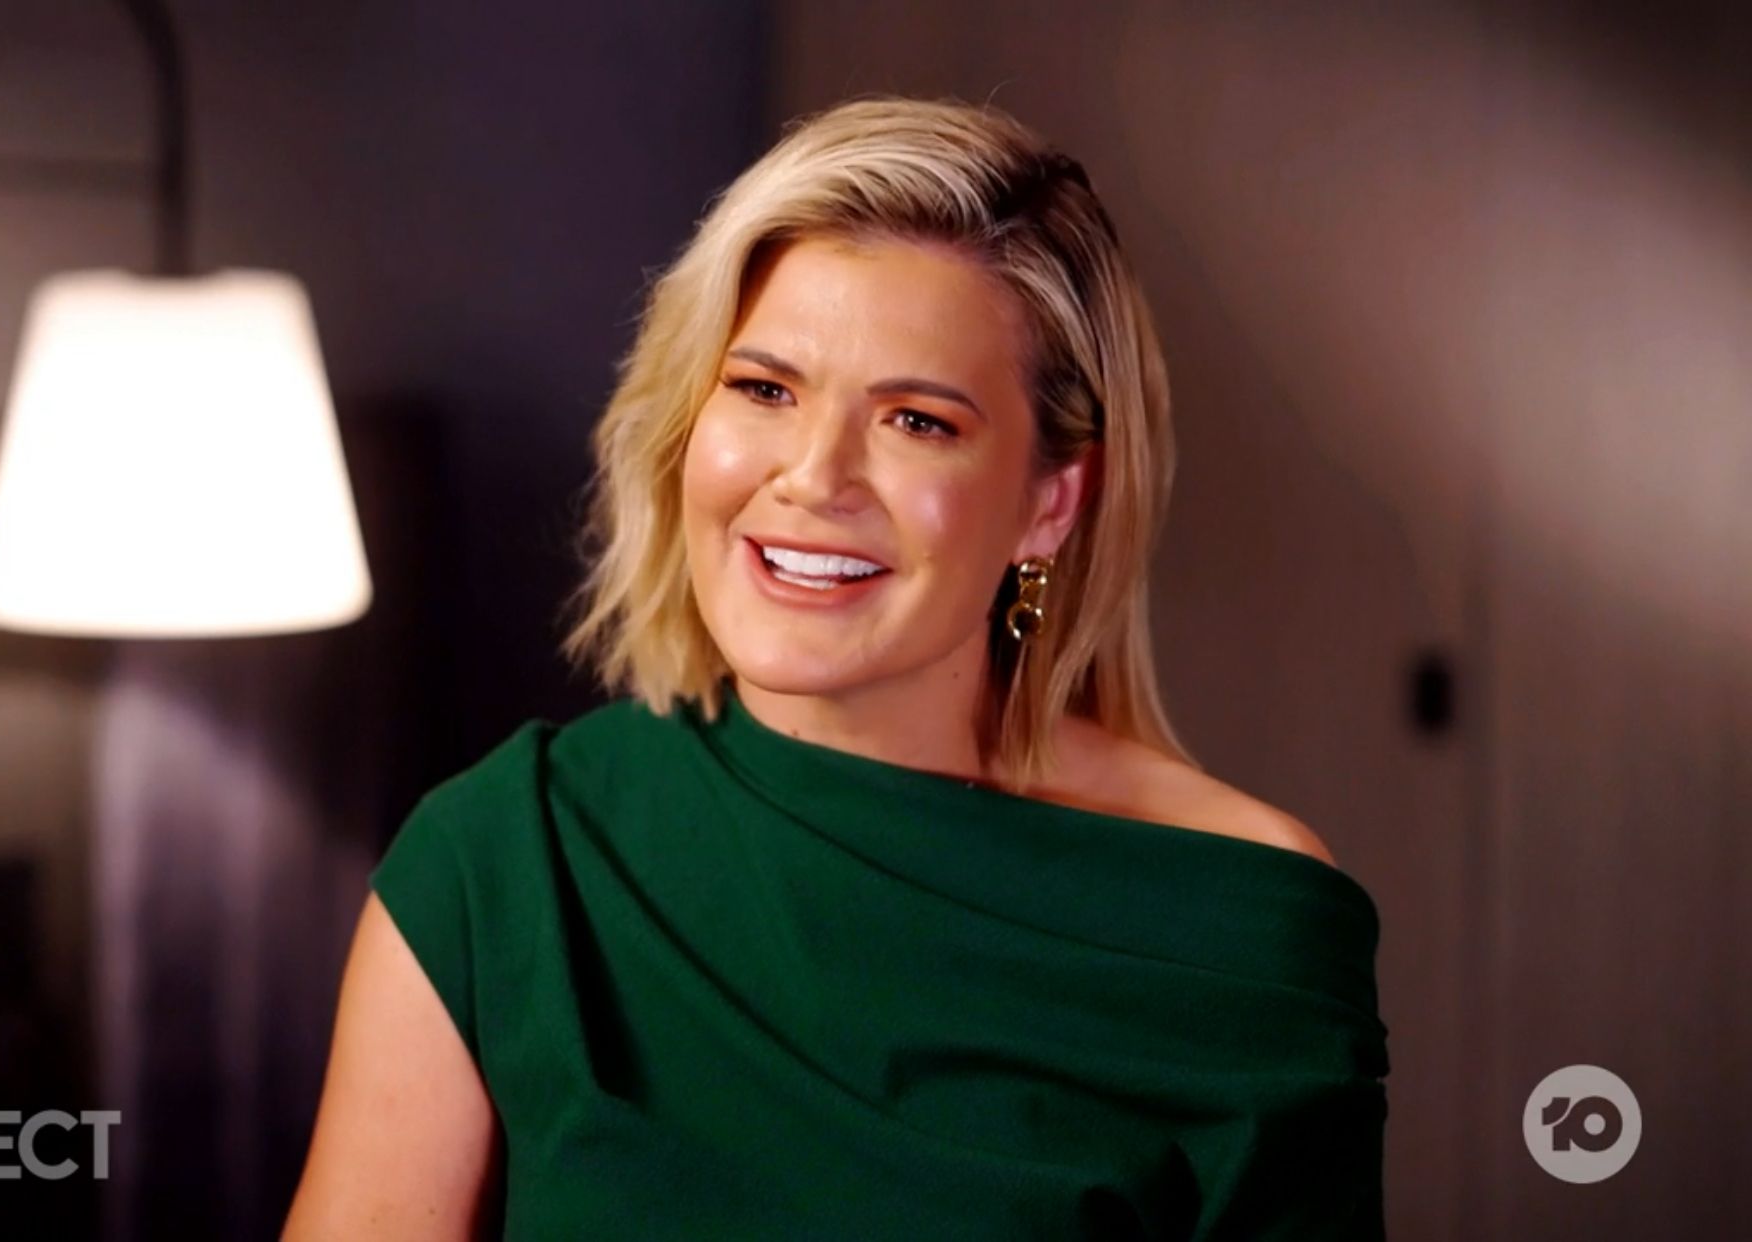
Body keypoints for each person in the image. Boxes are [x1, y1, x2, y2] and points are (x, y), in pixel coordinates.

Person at [282, 95, 1389, 1240]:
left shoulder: (1241, 920)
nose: (814, 477)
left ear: (1051, 503)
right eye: (764, 389)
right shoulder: (502, 865)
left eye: (918, 421)